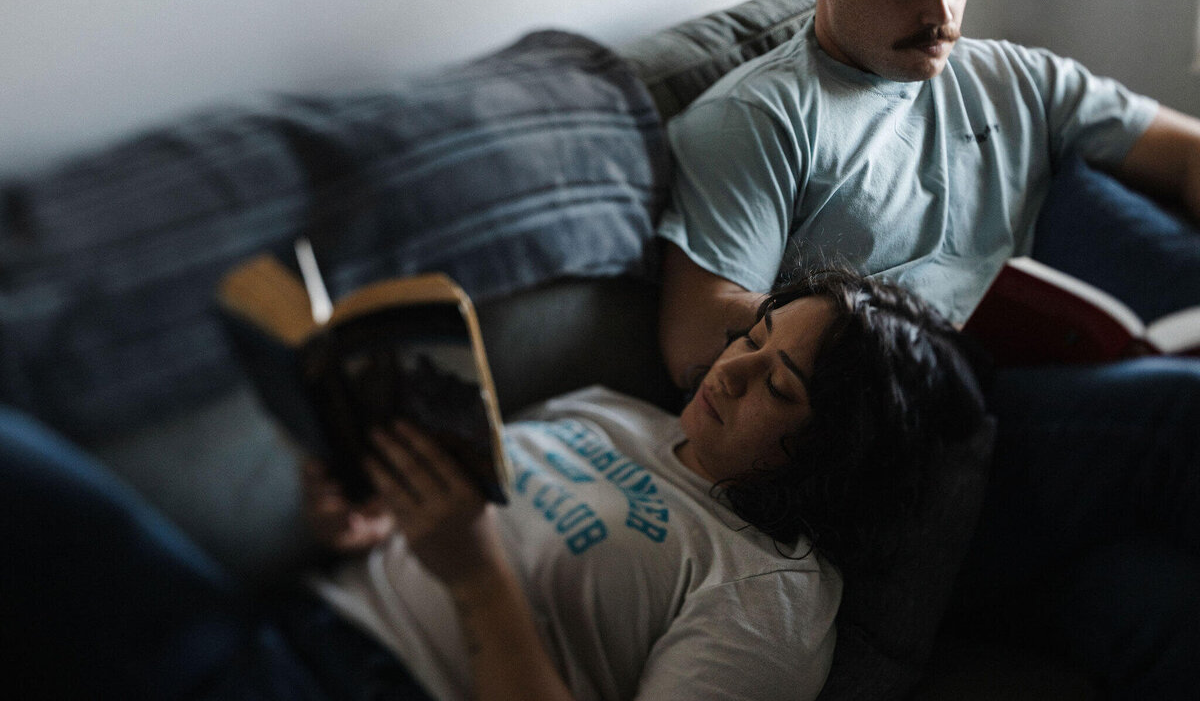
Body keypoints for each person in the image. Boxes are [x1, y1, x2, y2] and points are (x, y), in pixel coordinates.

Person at [655, 0, 1200, 697]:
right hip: (906, 452)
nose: (940, 15)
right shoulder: (759, 119)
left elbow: (1185, 155)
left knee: (1159, 603)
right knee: (1182, 416)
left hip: (1022, 447)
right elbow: (696, 341)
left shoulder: (1015, 79)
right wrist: (888, 339)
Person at [1, 268, 988, 701]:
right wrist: (359, 515)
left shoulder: (771, 594)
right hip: (258, 631)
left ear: (837, 450)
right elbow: (423, 522)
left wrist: (476, 576)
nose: (728, 366)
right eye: (752, 336)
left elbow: (474, 557)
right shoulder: (613, 407)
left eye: (777, 382)